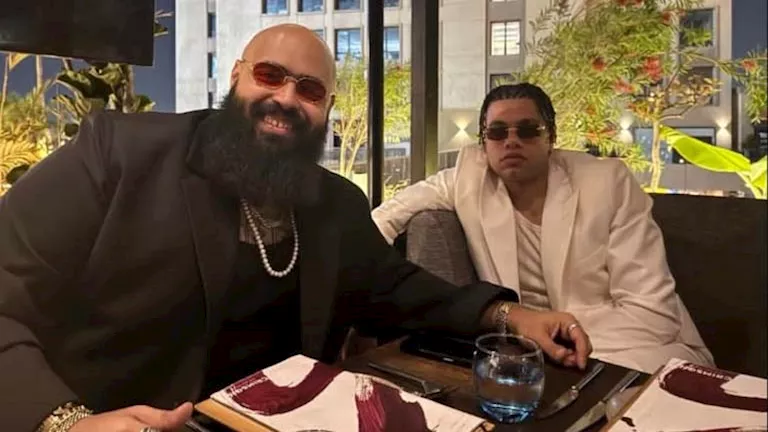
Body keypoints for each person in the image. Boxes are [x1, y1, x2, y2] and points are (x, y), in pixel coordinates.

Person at [0, 26, 591, 431]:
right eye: (269, 75)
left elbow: (400, 288)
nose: (285, 98)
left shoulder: (334, 203)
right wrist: (63, 421)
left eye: (309, 90)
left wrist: (510, 316)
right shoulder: (120, 153)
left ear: (326, 110)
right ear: (237, 77)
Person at [372, 83, 714, 374]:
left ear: (551, 138)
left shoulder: (607, 182)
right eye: (497, 132)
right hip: (531, 352)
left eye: (527, 130)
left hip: (636, 344)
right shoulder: (467, 179)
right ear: (484, 143)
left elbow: (652, 314)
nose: (511, 141)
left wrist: (546, 330)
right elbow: (386, 218)